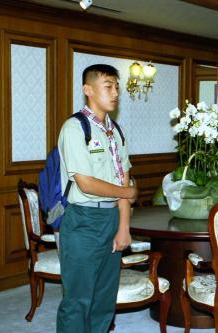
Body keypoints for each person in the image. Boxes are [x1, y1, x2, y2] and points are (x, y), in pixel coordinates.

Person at [56, 64, 137, 332]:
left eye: (117, 87)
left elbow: (123, 176)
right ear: (88, 90)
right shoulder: (75, 127)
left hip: (111, 218)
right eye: (108, 86)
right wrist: (127, 192)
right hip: (83, 221)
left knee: (104, 299)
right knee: (78, 300)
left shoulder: (115, 131)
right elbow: (86, 183)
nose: (115, 93)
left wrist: (123, 227)